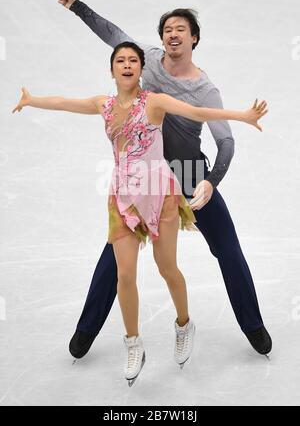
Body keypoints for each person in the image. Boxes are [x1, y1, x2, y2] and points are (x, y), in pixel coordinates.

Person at [12, 41, 267, 385]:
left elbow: (199, 113)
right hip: (123, 196)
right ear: (112, 69)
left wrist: (243, 116)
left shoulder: (155, 103)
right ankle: (133, 342)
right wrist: (32, 100)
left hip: (160, 193)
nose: (128, 64)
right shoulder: (102, 104)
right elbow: (63, 103)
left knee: (167, 269)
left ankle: (183, 323)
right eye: (121, 60)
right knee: (125, 275)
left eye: (134, 60)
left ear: (141, 69)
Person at [57, 0, 272, 360]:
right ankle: (85, 330)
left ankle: (253, 324)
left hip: (189, 175)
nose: (173, 34)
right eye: (168, 29)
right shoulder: (150, 62)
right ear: (161, 39)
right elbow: (111, 32)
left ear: (194, 39)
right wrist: (77, 6)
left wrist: (211, 181)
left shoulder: (205, 90)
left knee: (228, 247)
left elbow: (227, 143)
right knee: (116, 255)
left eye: (181, 29)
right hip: (145, 180)